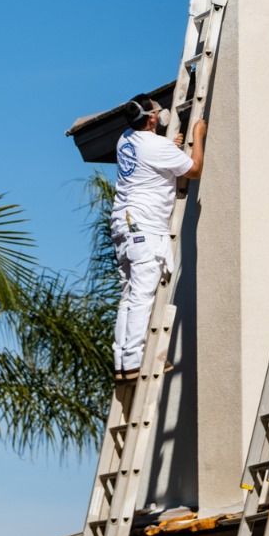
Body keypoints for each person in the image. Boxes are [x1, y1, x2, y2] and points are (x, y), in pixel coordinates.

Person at [111, 95, 206, 380]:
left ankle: (122, 360)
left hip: (124, 224)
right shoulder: (154, 146)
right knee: (141, 294)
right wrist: (198, 135)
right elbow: (194, 169)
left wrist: (170, 146)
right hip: (145, 227)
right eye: (156, 110)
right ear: (151, 118)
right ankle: (135, 362)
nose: (161, 112)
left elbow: (154, 156)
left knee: (128, 295)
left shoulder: (125, 139)